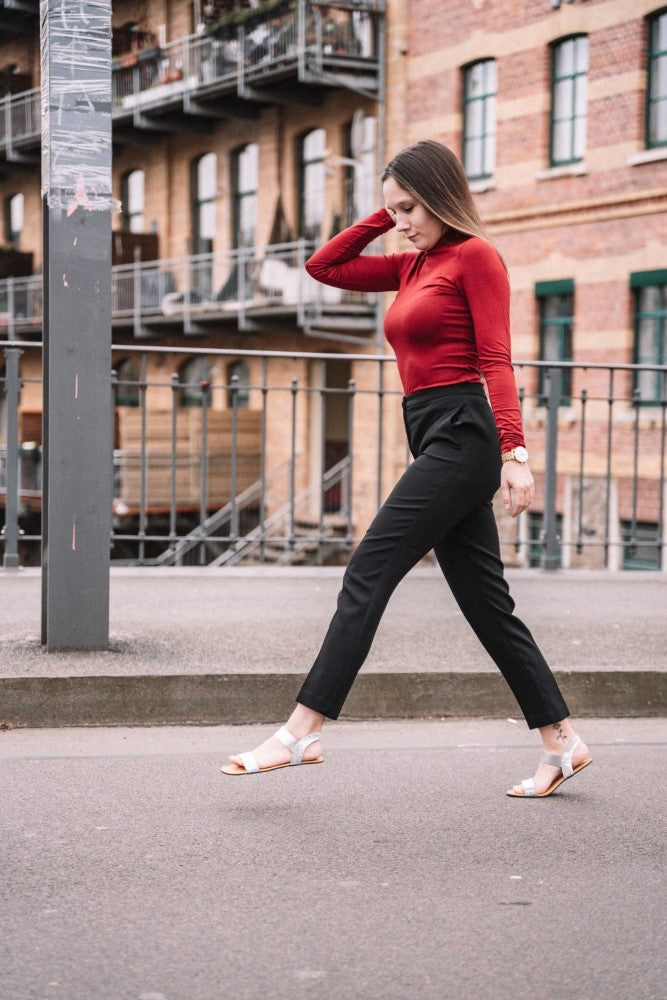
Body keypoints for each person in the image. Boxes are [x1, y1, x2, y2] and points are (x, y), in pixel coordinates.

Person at [222, 139, 592, 798]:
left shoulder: (473, 256)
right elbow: (322, 266)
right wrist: (382, 213)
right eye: (395, 210)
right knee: (487, 604)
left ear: (442, 196)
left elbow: (497, 360)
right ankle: (560, 741)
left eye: (411, 207)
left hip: (462, 436)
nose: (403, 221)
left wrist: (515, 454)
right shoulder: (412, 264)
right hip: (432, 437)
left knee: (367, 567)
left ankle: (302, 728)